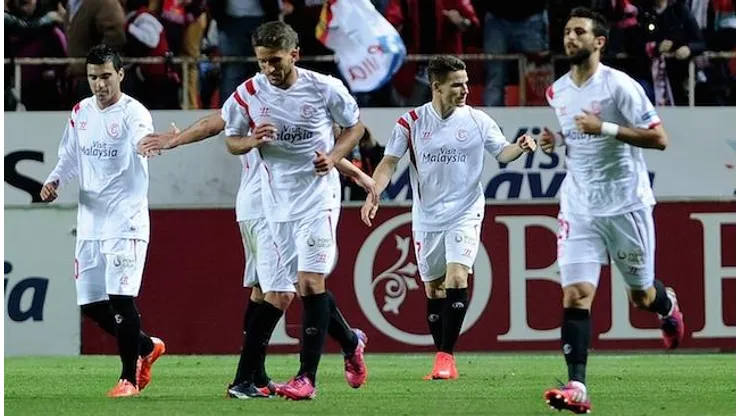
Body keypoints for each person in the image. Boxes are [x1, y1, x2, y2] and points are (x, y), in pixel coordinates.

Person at [138, 115, 376, 397]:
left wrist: (357, 174)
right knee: (274, 291)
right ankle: (258, 376)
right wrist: (177, 140)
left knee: (283, 289)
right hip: (257, 209)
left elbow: (309, 151)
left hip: (270, 208)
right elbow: (215, 123)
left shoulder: (278, 104)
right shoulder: (255, 100)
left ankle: (251, 378)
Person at [539, 7, 685, 414]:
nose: (570, 38)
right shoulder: (557, 91)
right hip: (579, 204)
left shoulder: (621, 87)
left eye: (579, 32)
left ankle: (666, 305)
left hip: (625, 203)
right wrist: (559, 141)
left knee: (641, 296)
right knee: (576, 293)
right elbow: (577, 136)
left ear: (599, 42)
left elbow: (660, 140)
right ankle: (577, 386)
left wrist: (603, 127)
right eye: (567, 31)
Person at [215, 20, 370, 400]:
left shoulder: (324, 88)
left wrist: (333, 157)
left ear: (295, 54)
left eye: (277, 61)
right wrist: (251, 140)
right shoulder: (248, 92)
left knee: (310, 283)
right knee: (288, 288)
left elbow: (356, 128)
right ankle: (351, 342)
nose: (270, 69)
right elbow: (231, 141)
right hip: (275, 202)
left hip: (317, 196)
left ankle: (306, 379)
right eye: (263, 61)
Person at [359, 55, 537, 380]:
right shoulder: (411, 122)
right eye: (457, 84)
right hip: (427, 217)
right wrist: (375, 190)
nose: (466, 89)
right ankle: (442, 356)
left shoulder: (478, 120)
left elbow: (503, 153)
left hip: (466, 211)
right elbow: (388, 162)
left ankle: (445, 357)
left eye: (466, 82)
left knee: (457, 279)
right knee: (433, 290)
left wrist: (521, 146)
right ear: (436, 86)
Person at [39, 44, 165, 398]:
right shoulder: (80, 112)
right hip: (91, 222)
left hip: (125, 221)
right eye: (93, 77)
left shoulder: (133, 113)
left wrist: (149, 145)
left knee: (121, 299)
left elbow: (143, 137)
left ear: (120, 74)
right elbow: (68, 158)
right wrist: (54, 181)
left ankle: (128, 380)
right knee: (92, 304)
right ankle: (146, 347)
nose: (99, 84)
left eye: (106, 76)